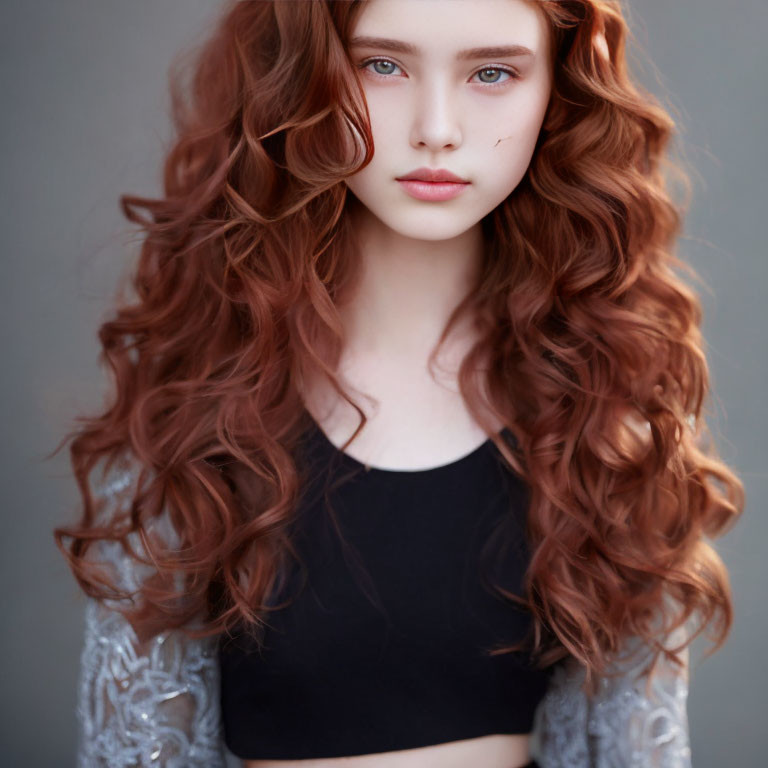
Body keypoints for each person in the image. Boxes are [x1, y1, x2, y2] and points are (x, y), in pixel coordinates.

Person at [52, 1, 745, 766]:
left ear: (560, 92)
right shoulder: (196, 410)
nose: (436, 127)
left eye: (492, 72)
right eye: (381, 65)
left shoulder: (601, 409)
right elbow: (137, 748)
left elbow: (636, 751)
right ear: (302, 77)